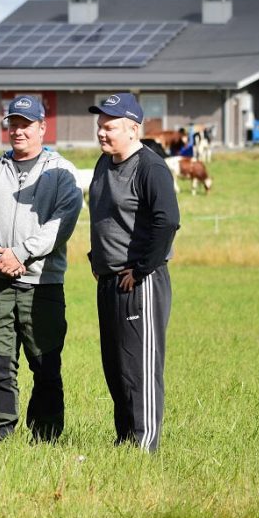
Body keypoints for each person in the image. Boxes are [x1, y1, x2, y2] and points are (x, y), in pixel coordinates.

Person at [0, 95, 83, 442]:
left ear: (42, 127)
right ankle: (0, 431)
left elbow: (63, 221)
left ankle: (45, 436)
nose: (18, 131)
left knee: (45, 366)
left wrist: (22, 254)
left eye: (26, 124)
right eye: (13, 124)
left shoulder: (61, 172)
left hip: (43, 285)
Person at [87, 93, 181, 452]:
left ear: (132, 129)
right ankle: (125, 439)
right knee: (116, 366)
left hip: (140, 282)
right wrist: (97, 256)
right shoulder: (104, 164)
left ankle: (144, 445)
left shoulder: (150, 167)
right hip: (109, 279)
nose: (101, 132)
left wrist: (142, 268)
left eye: (109, 127)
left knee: (139, 365)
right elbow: (106, 215)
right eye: (100, 126)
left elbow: (168, 222)